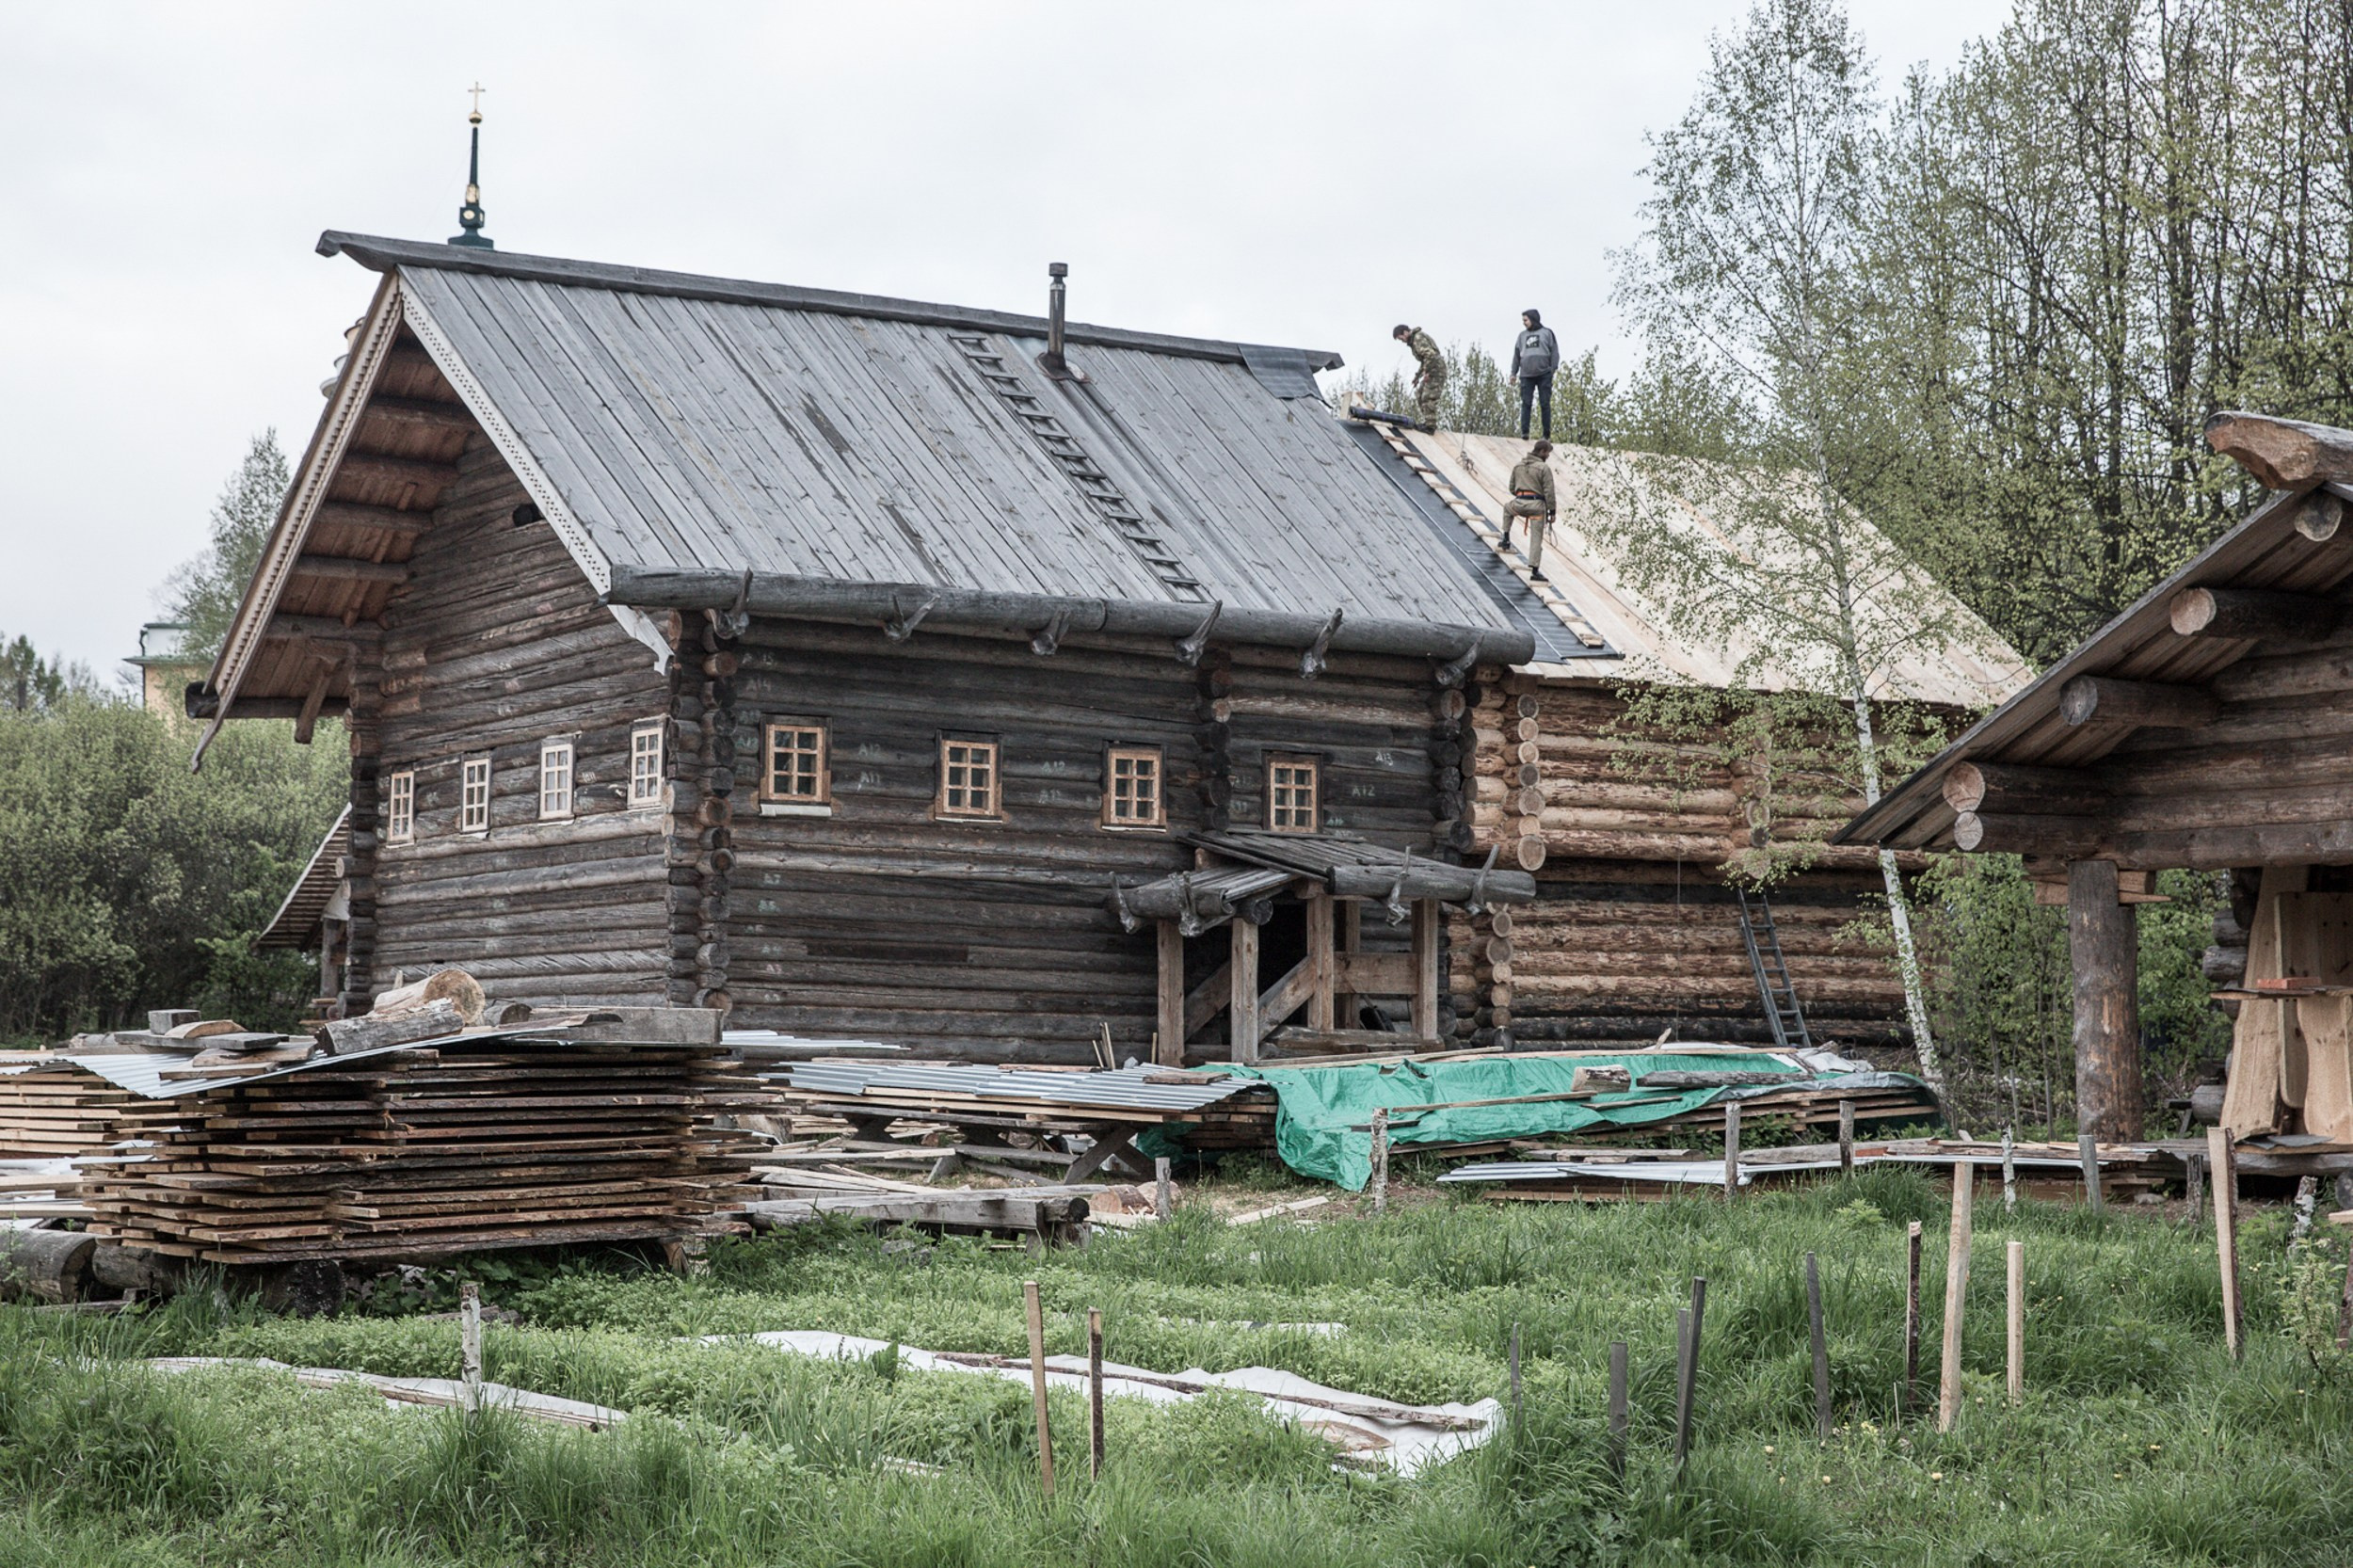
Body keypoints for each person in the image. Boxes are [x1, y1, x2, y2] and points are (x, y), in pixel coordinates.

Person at [1504, 439, 1557, 580]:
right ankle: (1534, 570)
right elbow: (1549, 491)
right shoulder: (1544, 469)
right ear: (1541, 452)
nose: (1548, 456)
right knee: (1536, 538)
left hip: (1519, 503)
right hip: (1537, 508)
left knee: (1507, 509)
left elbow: (1511, 488)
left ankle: (1505, 539)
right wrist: (1552, 511)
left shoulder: (1518, 466)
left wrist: (1522, 496)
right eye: (1547, 453)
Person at [1510, 309, 1561, 440]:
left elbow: (1554, 352)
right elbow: (1516, 356)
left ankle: (1546, 434)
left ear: (1533, 319)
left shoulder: (1547, 333)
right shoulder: (1521, 336)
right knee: (1526, 403)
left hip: (1544, 374)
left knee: (1544, 404)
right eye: (1523, 321)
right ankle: (1525, 432)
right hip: (1526, 375)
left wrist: (1552, 369)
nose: (1524, 323)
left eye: (1526, 320)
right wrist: (1513, 373)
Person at [1394, 324, 1446, 432]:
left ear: (1405, 332)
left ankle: (1430, 426)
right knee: (1419, 394)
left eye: (1401, 338)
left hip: (1436, 371)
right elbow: (1424, 360)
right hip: (1431, 370)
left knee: (1428, 396)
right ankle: (1428, 421)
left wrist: (1426, 373)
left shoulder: (1418, 338)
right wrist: (1417, 376)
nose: (1402, 341)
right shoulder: (1414, 341)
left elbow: (1430, 355)